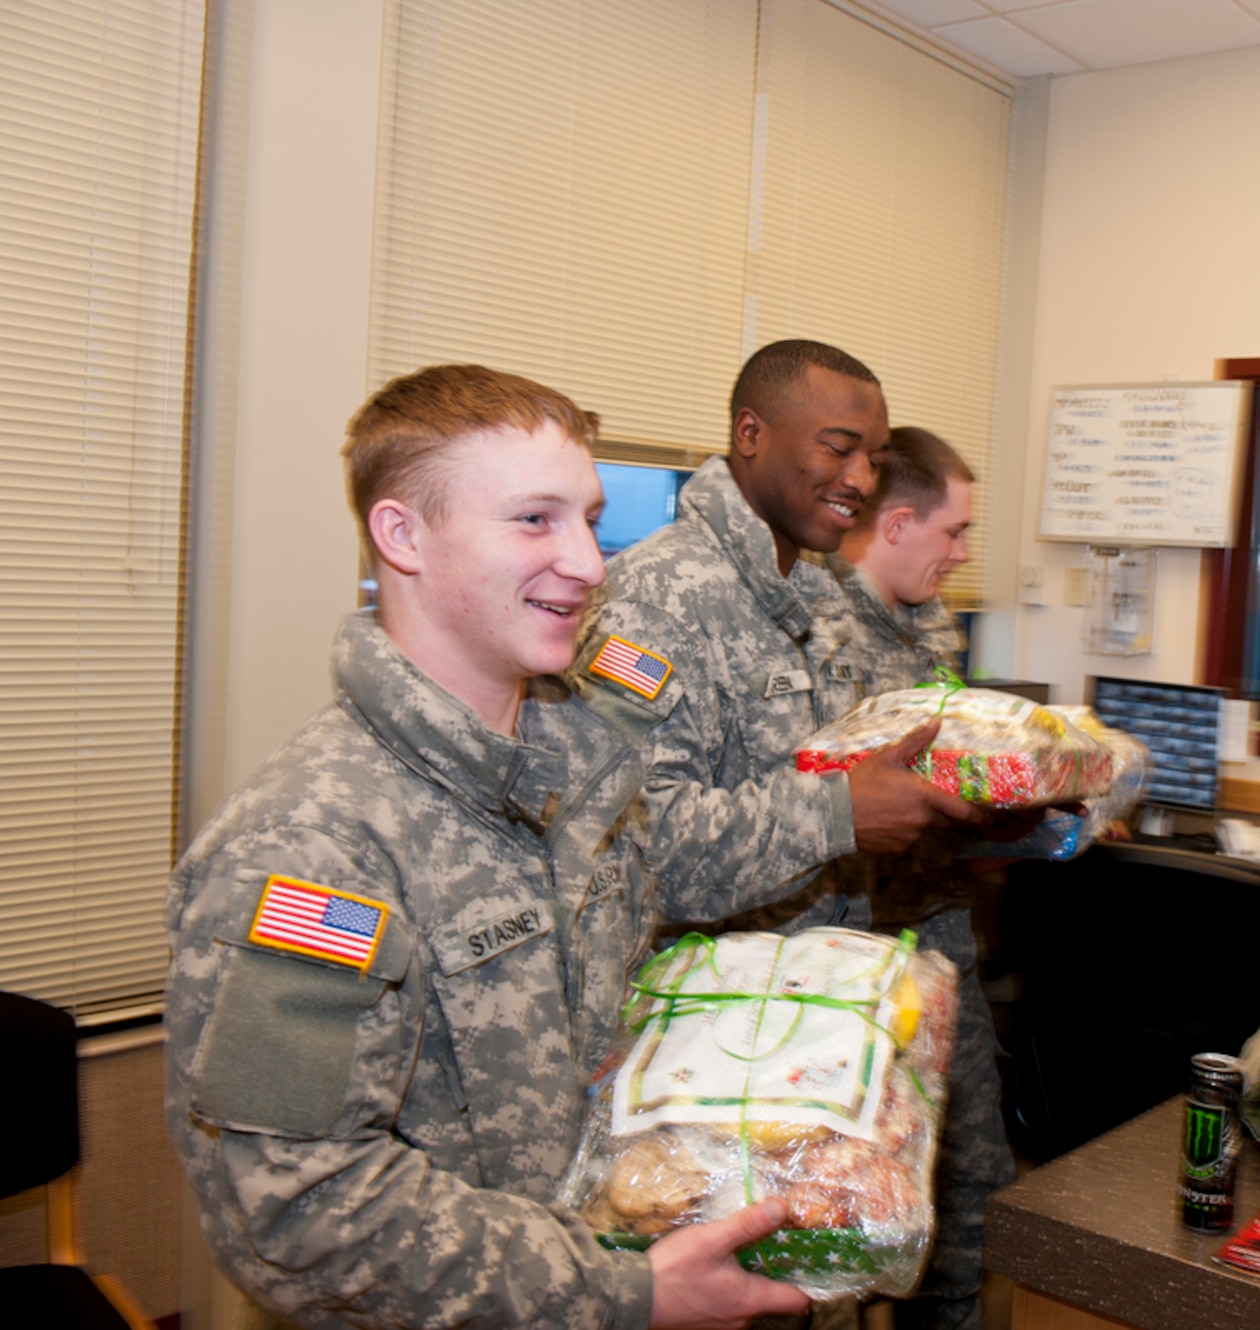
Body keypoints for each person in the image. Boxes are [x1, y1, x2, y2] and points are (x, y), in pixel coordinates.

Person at [164, 365, 812, 1330]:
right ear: (403, 536)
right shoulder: (307, 848)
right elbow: (298, 1209)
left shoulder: (581, 771)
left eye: (590, 520)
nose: (591, 564)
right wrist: (625, 1294)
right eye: (534, 520)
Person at [568, 340, 975, 939]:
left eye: (875, 460)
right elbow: (625, 844)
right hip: (709, 1015)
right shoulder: (656, 597)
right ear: (751, 433)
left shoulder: (821, 595)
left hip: (819, 999)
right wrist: (836, 815)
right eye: (837, 449)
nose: (861, 479)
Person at [828, 426, 1010, 1330]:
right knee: (858, 1201)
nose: (964, 553)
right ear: (896, 523)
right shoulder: (812, 631)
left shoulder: (931, 621)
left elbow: (953, 776)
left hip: (941, 937)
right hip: (849, 968)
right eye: (954, 532)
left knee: (974, 1186)